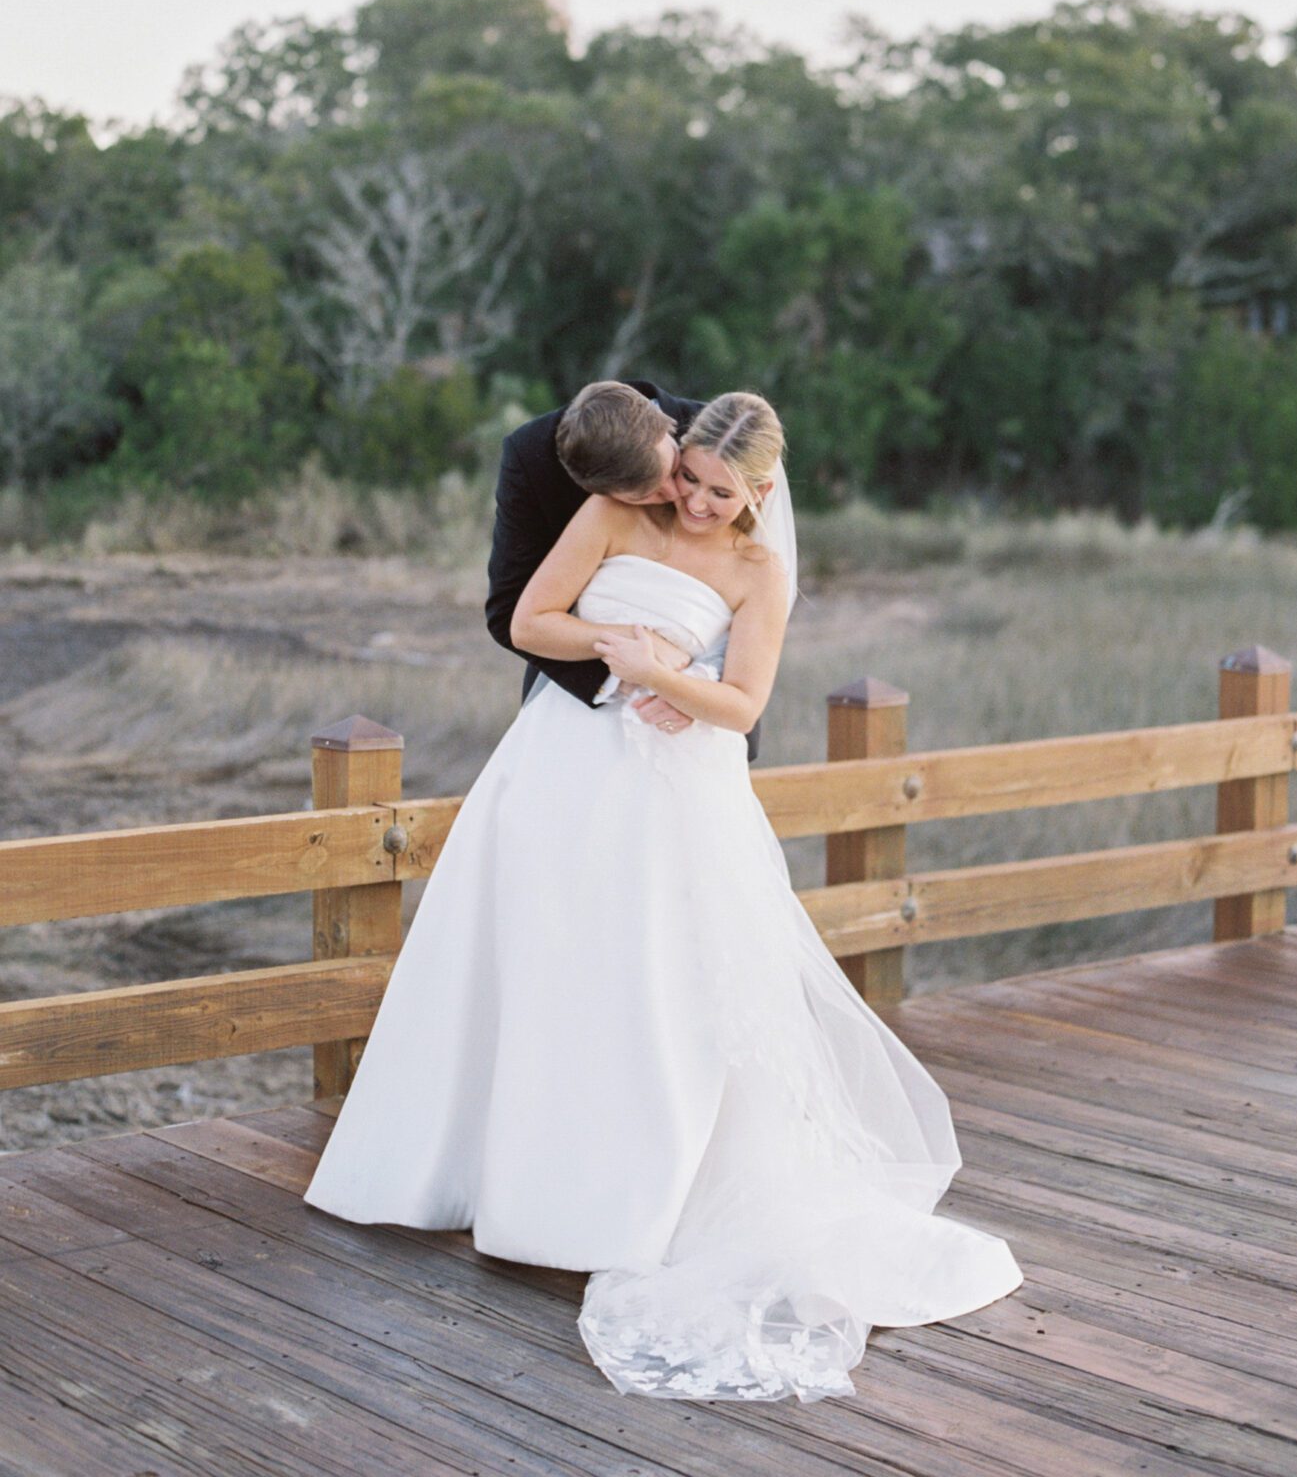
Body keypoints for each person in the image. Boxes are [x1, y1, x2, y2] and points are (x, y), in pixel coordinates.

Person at [304, 390, 1023, 1402]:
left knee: (655, 979)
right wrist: (622, 652)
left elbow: (744, 701)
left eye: (716, 489)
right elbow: (526, 617)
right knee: (542, 957)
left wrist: (675, 682)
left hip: (675, 792)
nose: (688, 499)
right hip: (560, 766)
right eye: (684, 476)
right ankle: (479, 1169)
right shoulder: (610, 512)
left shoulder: (761, 573)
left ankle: (627, 1194)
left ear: (760, 491)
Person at [484, 377, 762, 760]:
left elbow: (759, 595)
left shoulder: (719, 429)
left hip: (706, 721)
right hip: (578, 713)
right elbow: (509, 615)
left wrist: (694, 686)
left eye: (676, 470)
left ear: (667, 428)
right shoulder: (531, 460)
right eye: (646, 494)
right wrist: (629, 666)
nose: (677, 494)